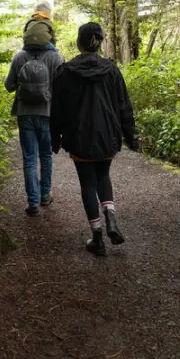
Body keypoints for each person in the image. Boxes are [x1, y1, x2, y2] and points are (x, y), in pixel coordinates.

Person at [51, 22, 140, 256]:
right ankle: (111, 220)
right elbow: (123, 106)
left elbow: (57, 109)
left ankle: (97, 236)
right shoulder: (111, 70)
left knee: (87, 183)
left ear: (80, 42)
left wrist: (55, 138)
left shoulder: (66, 71)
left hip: (79, 136)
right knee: (103, 175)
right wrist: (131, 136)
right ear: (100, 42)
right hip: (107, 134)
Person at [4, 6, 64, 217]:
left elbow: (9, 85)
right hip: (47, 114)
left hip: (24, 114)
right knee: (45, 155)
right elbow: (61, 90)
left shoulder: (19, 56)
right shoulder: (56, 58)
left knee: (29, 158)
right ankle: (45, 194)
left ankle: (33, 203)